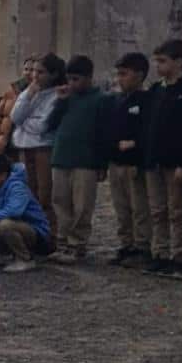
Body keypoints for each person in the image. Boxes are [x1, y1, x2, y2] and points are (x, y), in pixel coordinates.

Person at [46, 56, 111, 264]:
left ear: (89, 78)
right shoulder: (66, 98)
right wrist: (60, 102)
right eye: (69, 79)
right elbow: (50, 124)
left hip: (86, 161)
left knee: (82, 206)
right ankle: (62, 242)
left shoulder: (101, 100)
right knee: (61, 202)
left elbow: (103, 134)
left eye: (76, 79)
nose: (72, 84)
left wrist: (102, 164)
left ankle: (77, 244)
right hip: (61, 158)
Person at [142, 38, 182, 277]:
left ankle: (180, 256)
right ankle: (159, 252)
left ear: (179, 62)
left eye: (163, 61)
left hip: (176, 161)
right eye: (157, 61)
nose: (158, 66)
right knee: (157, 209)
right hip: (154, 160)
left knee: (177, 210)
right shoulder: (156, 90)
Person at [11, 52, 65, 238]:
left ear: (53, 74)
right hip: (24, 148)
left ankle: (50, 233)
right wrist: (28, 95)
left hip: (43, 148)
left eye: (40, 72)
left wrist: (25, 121)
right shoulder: (29, 92)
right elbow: (15, 117)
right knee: (29, 193)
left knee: (45, 195)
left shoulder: (57, 95)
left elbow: (42, 125)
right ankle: (32, 232)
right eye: (33, 71)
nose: (35, 76)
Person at [106, 52, 152, 266]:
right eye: (118, 74)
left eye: (124, 74)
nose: (119, 79)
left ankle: (143, 247)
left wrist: (136, 144)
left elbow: (151, 130)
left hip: (135, 163)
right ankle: (127, 244)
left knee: (139, 208)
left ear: (139, 75)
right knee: (121, 207)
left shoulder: (148, 100)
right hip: (116, 162)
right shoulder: (118, 100)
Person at [0, 154, 50, 273]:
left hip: (35, 232)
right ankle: (8, 255)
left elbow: (14, 210)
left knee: (6, 224)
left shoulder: (17, 186)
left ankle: (26, 259)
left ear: (3, 175)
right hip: (12, 228)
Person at [0, 56, 36, 156]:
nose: (28, 73)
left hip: (28, 144)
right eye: (26, 69)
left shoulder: (41, 92)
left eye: (32, 70)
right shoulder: (12, 91)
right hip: (7, 144)